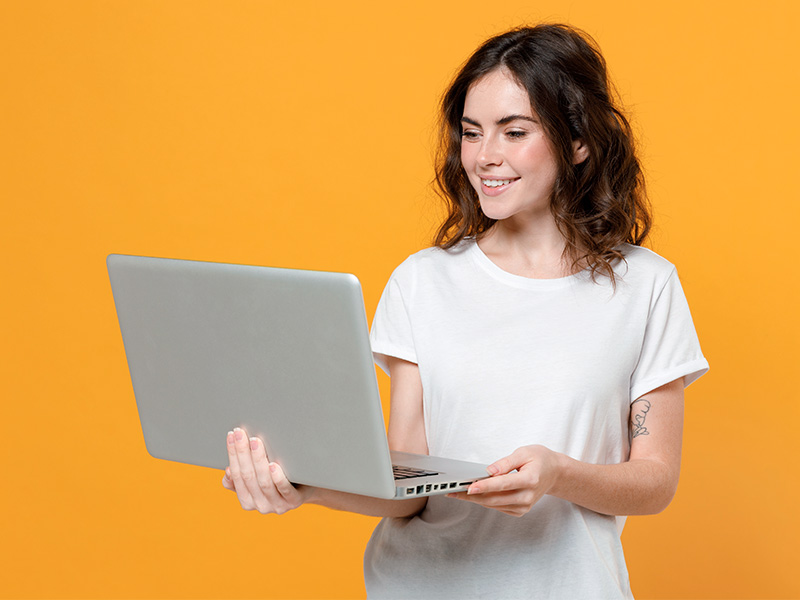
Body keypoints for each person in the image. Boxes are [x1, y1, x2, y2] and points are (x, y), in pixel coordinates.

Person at [222, 23, 708, 599]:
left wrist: (559, 474)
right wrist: (303, 483)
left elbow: (654, 483)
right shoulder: (422, 281)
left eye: (514, 131)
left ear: (577, 141)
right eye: (472, 133)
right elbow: (407, 489)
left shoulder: (646, 287)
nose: (485, 157)